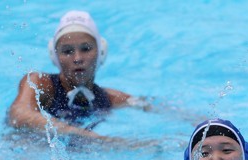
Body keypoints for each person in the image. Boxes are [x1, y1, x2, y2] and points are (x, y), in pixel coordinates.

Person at [8, 10, 147, 143]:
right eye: (67, 51)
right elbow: (18, 114)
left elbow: (151, 105)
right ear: (55, 57)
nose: (77, 58)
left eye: (86, 49)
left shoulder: (108, 98)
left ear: (101, 53)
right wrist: (92, 138)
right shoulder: (41, 84)